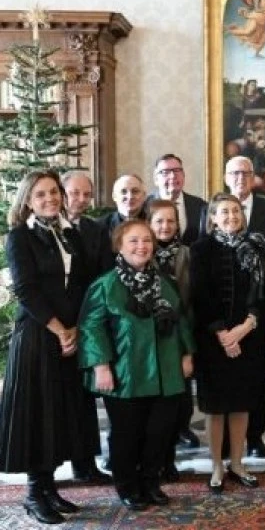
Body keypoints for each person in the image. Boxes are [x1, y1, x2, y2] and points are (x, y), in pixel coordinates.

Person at [0, 170, 99, 524]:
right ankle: (34, 493)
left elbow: (85, 284)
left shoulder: (70, 235)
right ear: (27, 201)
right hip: (38, 337)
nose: (50, 199)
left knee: (60, 413)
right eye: (41, 195)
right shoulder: (19, 237)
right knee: (38, 414)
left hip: (70, 335)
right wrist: (59, 330)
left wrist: (77, 330)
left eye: (54, 192)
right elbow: (26, 290)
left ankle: (51, 488)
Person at [78, 219, 195, 511]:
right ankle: (128, 486)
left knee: (160, 432)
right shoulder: (105, 285)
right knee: (127, 433)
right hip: (125, 372)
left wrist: (186, 354)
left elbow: (181, 320)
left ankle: (150, 482)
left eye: (146, 240)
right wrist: (100, 365)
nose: (141, 246)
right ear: (120, 245)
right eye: (133, 241)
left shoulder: (164, 282)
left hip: (166, 371)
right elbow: (91, 327)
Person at [190, 194, 265, 493]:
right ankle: (217, 466)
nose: (231, 216)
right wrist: (223, 334)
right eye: (224, 211)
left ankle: (237, 463)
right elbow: (200, 295)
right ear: (212, 217)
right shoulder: (201, 249)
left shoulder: (254, 249)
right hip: (213, 340)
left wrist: (246, 326)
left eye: (236, 210)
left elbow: (263, 293)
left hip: (248, 338)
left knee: (241, 404)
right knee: (216, 406)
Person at [224, 156, 265, 458]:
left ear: (253, 178)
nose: (240, 178)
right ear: (226, 177)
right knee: (225, 372)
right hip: (224, 305)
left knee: (256, 372)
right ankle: (226, 439)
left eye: (245, 173)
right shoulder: (216, 207)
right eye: (234, 173)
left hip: (257, 302)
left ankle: (255, 436)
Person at [60, 169, 112, 484]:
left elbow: (104, 276)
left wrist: (90, 322)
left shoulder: (95, 229)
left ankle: (85, 464)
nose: (80, 200)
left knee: (84, 399)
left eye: (86, 194)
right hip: (56, 326)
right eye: (74, 193)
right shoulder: (50, 229)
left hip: (88, 321)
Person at [147, 199, 193, 481]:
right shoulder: (140, 252)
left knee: (177, 405)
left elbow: (193, 300)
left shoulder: (187, 254)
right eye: (159, 221)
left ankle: (168, 460)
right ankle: (150, 462)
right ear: (150, 224)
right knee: (151, 407)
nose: (165, 227)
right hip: (148, 342)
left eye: (170, 221)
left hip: (179, 337)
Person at [148, 154, 207, 247]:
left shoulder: (200, 205)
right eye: (165, 172)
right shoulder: (145, 206)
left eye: (177, 170)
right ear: (156, 179)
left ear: (183, 175)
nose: (172, 176)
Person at [97, 174, 149, 272]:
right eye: (123, 191)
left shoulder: (153, 223)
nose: (130, 196)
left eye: (135, 191)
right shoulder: (100, 227)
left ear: (144, 196)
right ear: (114, 196)